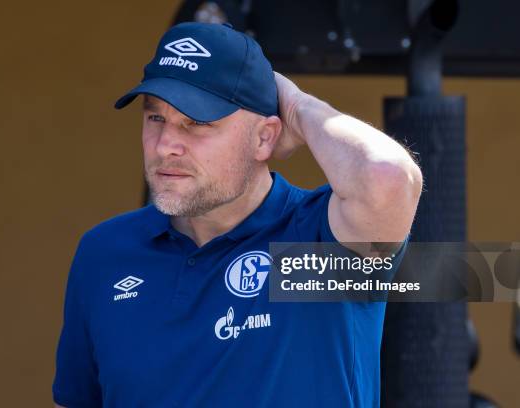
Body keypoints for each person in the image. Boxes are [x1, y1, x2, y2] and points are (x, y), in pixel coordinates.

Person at [53, 22, 422, 408]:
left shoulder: (314, 241)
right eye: (155, 118)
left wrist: (299, 109)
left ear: (264, 137)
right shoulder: (105, 252)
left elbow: (387, 177)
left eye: (195, 123)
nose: (165, 145)